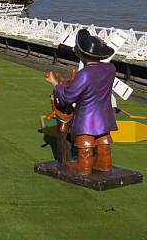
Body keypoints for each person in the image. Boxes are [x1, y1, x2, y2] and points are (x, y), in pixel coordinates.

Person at [45, 28, 117, 175]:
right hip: (104, 113)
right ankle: (104, 163)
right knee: (103, 140)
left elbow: (67, 97)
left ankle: (83, 166)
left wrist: (56, 84)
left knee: (85, 141)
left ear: (83, 54)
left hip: (87, 115)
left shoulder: (84, 74)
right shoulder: (111, 69)